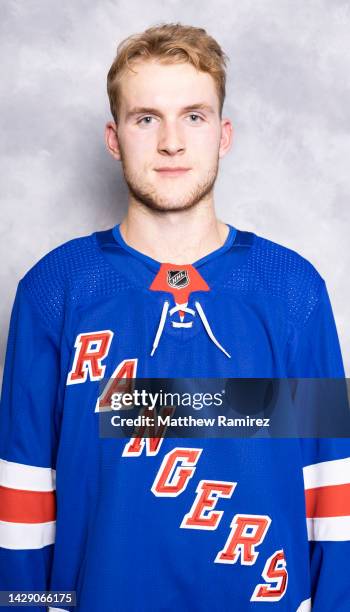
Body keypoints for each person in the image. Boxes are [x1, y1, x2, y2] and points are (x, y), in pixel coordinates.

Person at [0, 23, 348, 612]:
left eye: (194, 116)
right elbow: (24, 498)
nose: (171, 143)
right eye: (146, 118)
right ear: (114, 138)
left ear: (224, 133)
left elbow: (330, 491)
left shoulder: (293, 291)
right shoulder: (54, 291)